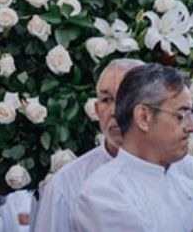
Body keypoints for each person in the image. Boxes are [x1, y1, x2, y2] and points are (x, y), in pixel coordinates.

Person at [72, 64, 193, 232]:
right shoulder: (104, 194)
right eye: (180, 116)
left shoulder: (191, 181)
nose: (192, 127)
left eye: (191, 115)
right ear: (144, 117)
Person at [32, 58, 144, 232]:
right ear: (97, 110)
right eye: (107, 100)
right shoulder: (66, 185)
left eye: (127, 98)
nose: (115, 111)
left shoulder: (189, 173)